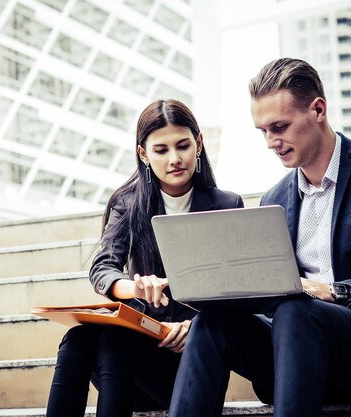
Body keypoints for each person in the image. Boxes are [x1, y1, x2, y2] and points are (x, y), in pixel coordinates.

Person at [168, 58, 351, 417]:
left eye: (280, 127)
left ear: (318, 109)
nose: (271, 142)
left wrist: (337, 290)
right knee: (213, 322)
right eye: (262, 131)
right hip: (302, 357)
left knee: (296, 308)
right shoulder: (274, 199)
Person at [45, 99, 244, 417]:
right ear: (144, 154)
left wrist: (196, 326)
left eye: (183, 146)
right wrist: (134, 288)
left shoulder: (226, 204)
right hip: (131, 364)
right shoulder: (128, 202)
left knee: (113, 341)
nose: (175, 159)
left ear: (198, 144)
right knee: (77, 338)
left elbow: (237, 289)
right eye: (161, 150)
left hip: (189, 365)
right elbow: (104, 267)